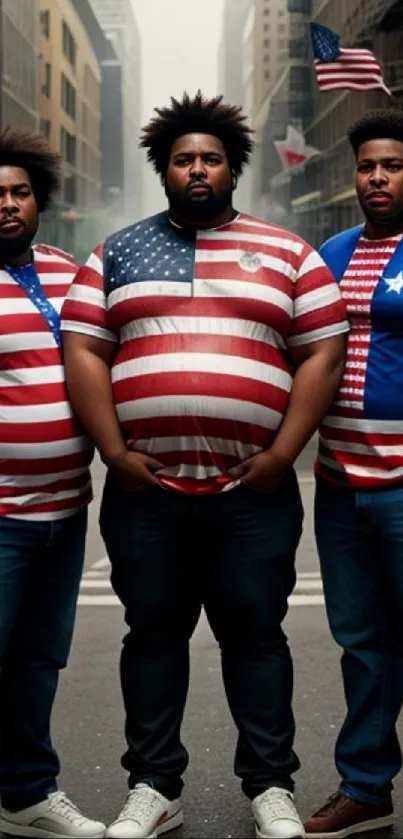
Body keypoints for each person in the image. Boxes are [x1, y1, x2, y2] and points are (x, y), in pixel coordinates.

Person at [61, 91, 348, 839]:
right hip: (145, 492)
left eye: (210, 159)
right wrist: (114, 454)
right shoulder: (116, 252)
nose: (197, 169)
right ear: (164, 168)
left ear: (231, 169)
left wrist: (283, 452)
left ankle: (271, 785)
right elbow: (84, 349)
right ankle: (154, 785)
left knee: (256, 634)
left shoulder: (288, 253)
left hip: (253, 492)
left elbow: (322, 348)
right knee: (151, 635)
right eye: (183, 158)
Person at [0, 128, 105, 838]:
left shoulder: (68, 271)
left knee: (38, 660)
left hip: (65, 511)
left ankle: (26, 793)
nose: (7, 204)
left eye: (19, 192)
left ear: (39, 199)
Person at [304, 109, 403, 838]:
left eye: (391, 166)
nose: (375, 178)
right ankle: (365, 785)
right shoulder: (330, 253)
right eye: (367, 166)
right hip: (340, 487)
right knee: (362, 643)